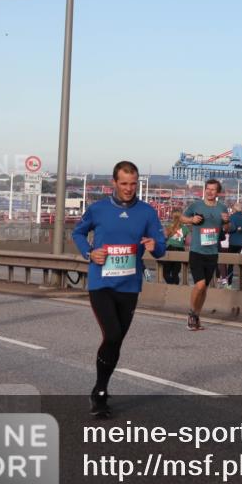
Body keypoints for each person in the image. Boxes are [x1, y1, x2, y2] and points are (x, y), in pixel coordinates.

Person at [72, 160, 166, 417]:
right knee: (112, 335)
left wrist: (152, 245)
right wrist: (90, 253)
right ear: (113, 183)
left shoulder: (147, 212)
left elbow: (161, 248)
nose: (128, 188)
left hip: (129, 285)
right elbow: (78, 234)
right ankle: (100, 394)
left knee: (116, 341)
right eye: (123, 183)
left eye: (133, 184)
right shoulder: (98, 209)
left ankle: (100, 387)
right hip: (101, 283)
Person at [180, 179, 229, 329]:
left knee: (204, 288)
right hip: (196, 251)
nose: (209, 192)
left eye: (213, 189)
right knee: (199, 285)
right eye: (207, 189)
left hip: (212, 253)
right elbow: (181, 218)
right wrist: (191, 220)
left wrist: (227, 221)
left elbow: (226, 230)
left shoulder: (222, 207)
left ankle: (197, 315)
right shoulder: (196, 205)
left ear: (218, 192)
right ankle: (192, 313)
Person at [162, 210, 188, 285]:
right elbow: (188, 242)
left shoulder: (169, 226)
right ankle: (175, 287)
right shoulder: (185, 228)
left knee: (166, 273)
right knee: (175, 273)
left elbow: (164, 237)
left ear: (172, 216)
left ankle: (171, 285)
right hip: (180, 250)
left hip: (170, 249)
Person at [225, 202, 242, 288]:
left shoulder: (232, 217)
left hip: (233, 242)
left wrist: (229, 230)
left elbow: (231, 228)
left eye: (233, 208)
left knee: (230, 264)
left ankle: (229, 283)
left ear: (235, 209)